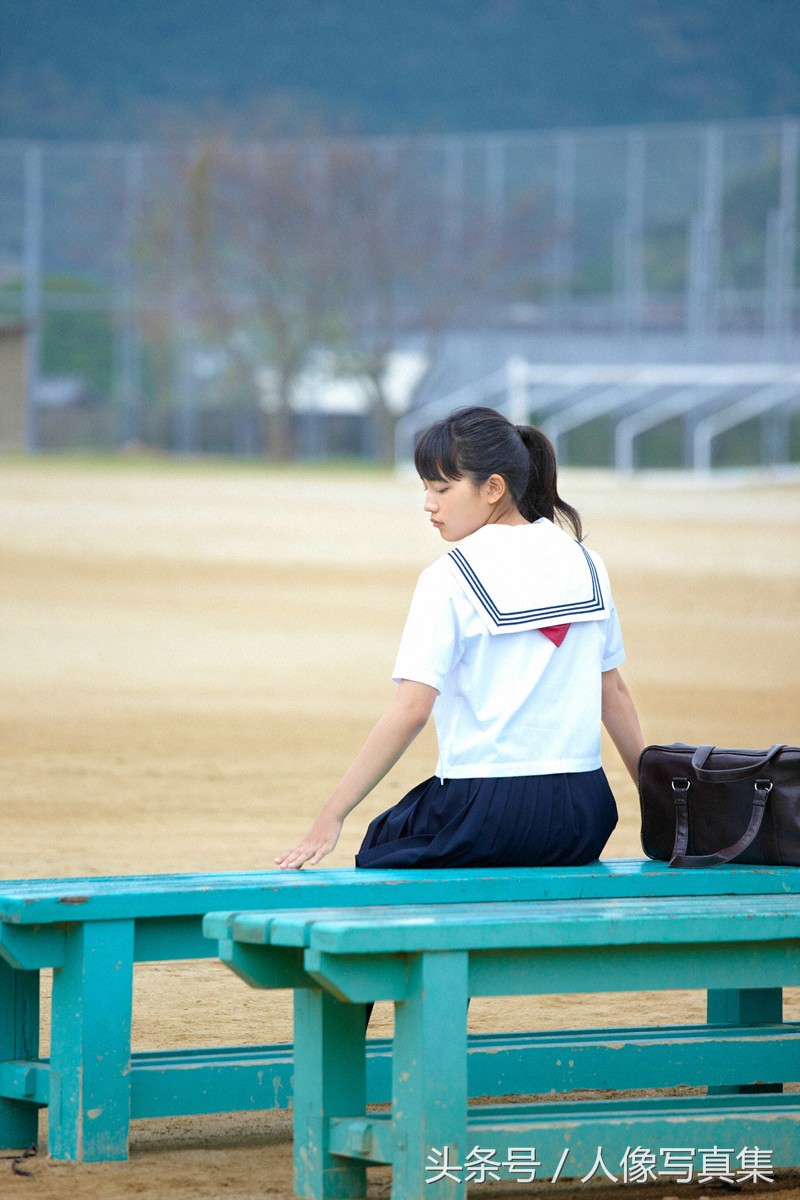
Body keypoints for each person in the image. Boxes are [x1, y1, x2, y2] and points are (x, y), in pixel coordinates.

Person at [276, 405, 644, 872]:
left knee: (384, 844)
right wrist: (655, 800)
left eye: (442, 488)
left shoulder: (449, 576)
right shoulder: (587, 563)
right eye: (426, 488)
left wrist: (330, 817)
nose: (428, 503)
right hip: (584, 813)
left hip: (489, 807)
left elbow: (411, 708)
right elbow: (612, 692)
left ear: (493, 488)